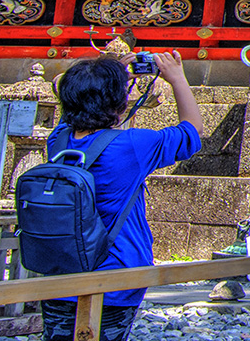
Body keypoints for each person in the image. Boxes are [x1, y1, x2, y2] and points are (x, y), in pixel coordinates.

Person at [41, 53, 205, 341]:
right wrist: (177, 77)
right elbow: (192, 130)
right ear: (118, 101)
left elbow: (59, 84)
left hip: (60, 271)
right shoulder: (132, 145)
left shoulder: (58, 139)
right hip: (116, 273)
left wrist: (106, 71)